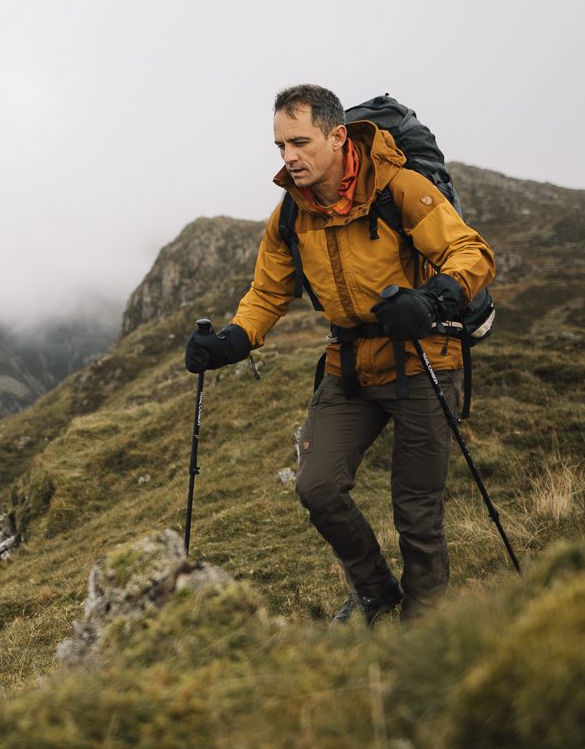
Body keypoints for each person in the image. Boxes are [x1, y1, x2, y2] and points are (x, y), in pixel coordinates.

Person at [184, 85, 496, 622]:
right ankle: (377, 594)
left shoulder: (400, 188)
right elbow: (267, 294)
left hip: (424, 358)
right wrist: (230, 343)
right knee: (317, 487)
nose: (289, 157)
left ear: (336, 136)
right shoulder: (290, 215)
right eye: (280, 145)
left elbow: (470, 251)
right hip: (349, 365)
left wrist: (430, 299)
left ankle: (423, 627)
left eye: (299, 142)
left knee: (417, 511)